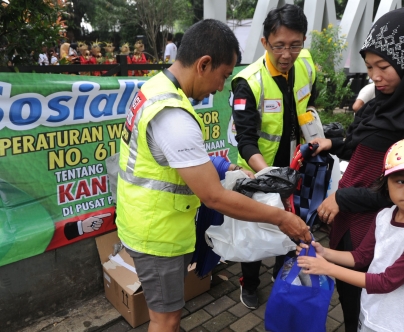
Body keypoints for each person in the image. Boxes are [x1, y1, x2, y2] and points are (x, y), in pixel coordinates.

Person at [115, 19, 310, 332]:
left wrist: (224, 166)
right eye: (222, 76)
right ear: (203, 64)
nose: (221, 87)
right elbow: (214, 196)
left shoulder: (154, 88)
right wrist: (282, 219)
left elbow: (173, 157)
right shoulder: (173, 117)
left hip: (145, 220)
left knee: (168, 314)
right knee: (165, 319)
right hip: (157, 235)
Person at [309, 4, 404, 331]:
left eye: (383, 66)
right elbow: (368, 147)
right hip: (348, 225)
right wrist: (335, 144)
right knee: (349, 304)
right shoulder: (385, 103)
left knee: (368, 306)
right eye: (369, 66)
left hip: (378, 232)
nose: (374, 76)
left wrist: (342, 199)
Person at [297, 136, 404, 332]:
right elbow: (361, 257)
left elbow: (386, 282)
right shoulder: (385, 215)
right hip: (371, 306)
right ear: (385, 182)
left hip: (394, 322)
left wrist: (327, 268)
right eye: (401, 181)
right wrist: (325, 253)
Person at [231, 4, 318, 310]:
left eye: (295, 45)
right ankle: (250, 284)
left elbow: (309, 108)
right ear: (265, 42)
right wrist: (270, 174)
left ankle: (282, 276)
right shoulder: (248, 82)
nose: (287, 54)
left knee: (292, 227)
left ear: (303, 41)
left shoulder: (306, 64)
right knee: (254, 232)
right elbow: (245, 141)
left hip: (296, 165)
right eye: (279, 46)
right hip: (259, 172)